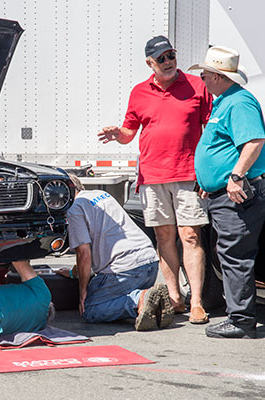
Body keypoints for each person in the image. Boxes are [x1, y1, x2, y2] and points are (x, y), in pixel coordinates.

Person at [97, 35, 213, 324]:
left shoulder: (197, 86)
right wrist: (117, 134)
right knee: (164, 237)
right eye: (161, 58)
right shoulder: (139, 92)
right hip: (152, 176)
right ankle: (174, 297)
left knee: (190, 235)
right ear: (150, 63)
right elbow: (128, 133)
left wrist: (210, 171)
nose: (169, 61)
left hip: (188, 174)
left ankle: (196, 301)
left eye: (171, 54)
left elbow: (210, 130)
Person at [189, 46, 265, 339]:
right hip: (224, 193)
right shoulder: (225, 101)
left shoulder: (239, 102)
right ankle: (239, 316)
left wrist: (234, 176)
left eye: (206, 75)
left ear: (219, 77)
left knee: (235, 254)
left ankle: (241, 320)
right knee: (231, 253)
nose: (203, 79)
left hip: (237, 193)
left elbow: (255, 140)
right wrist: (212, 182)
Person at [57, 175, 174, 331]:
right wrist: (73, 272)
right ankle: (150, 304)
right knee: (109, 291)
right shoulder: (101, 195)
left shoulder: (74, 209)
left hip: (126, 270)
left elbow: (84, 254)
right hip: (149, 263)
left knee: (91, 310)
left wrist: (82, 292)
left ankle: (138, 299)